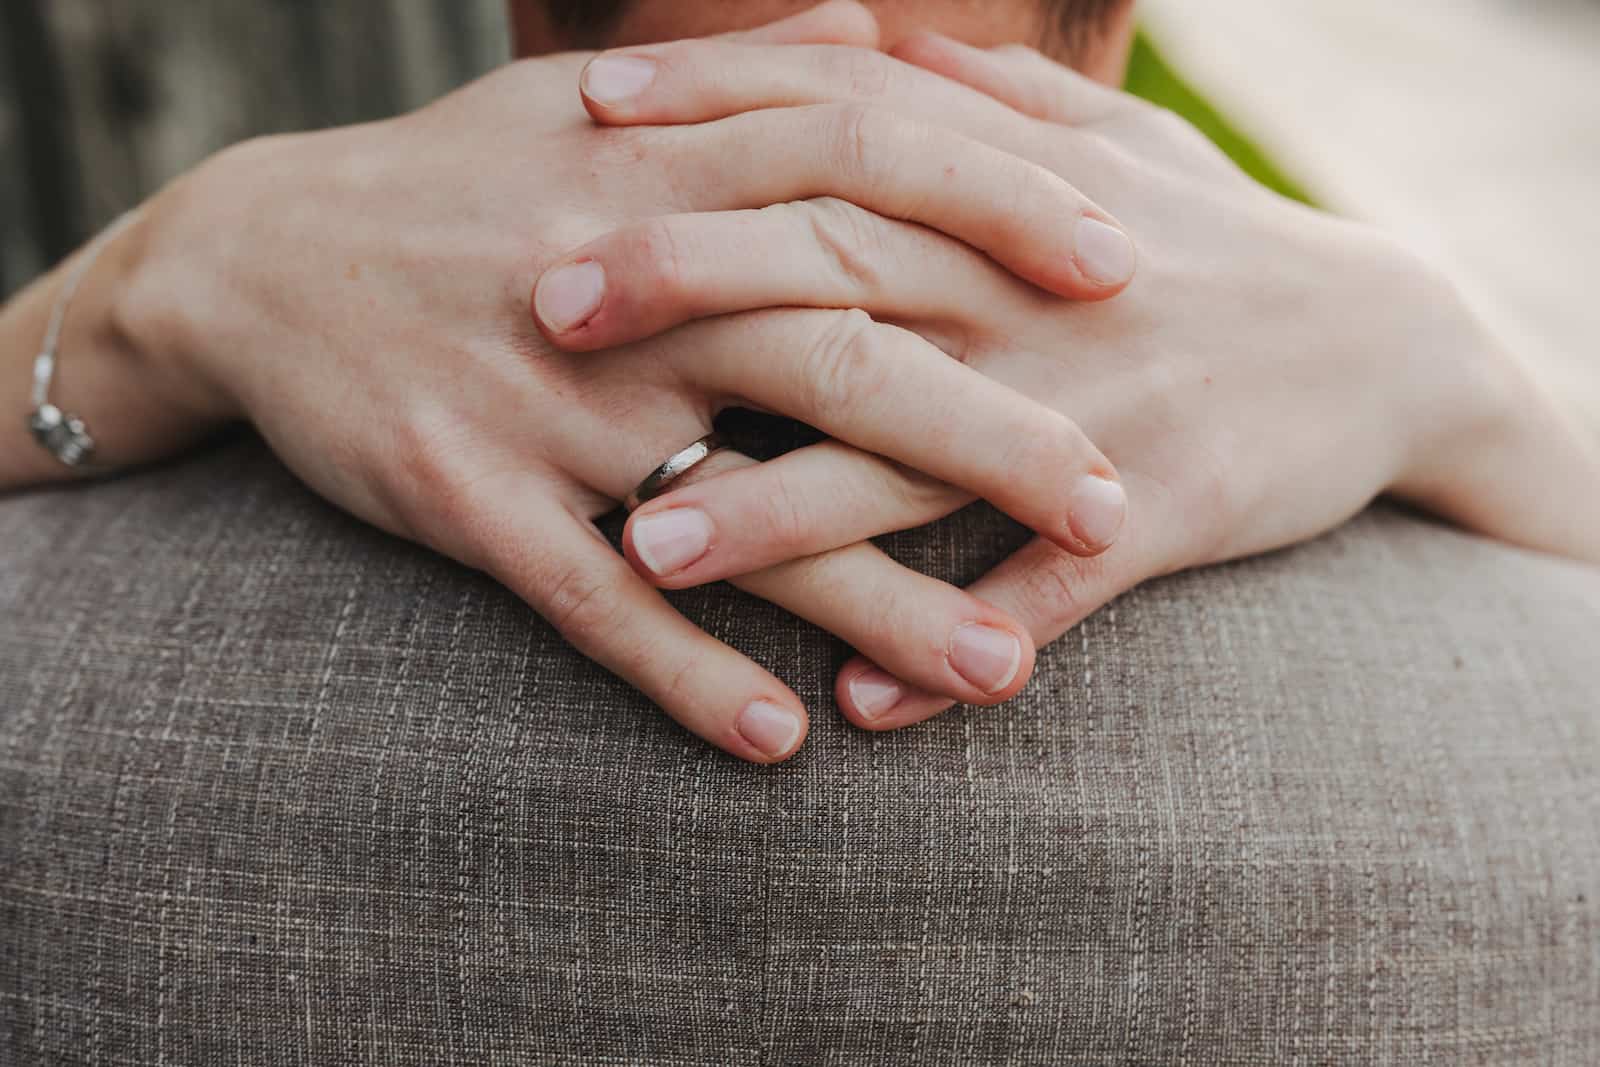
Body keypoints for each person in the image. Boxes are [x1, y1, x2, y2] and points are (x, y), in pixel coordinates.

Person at [3, 2, 1597, 1062]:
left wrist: (146, 289)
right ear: (1107, 30)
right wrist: (1477, 387)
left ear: (532, 24)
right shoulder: (1550, 739)